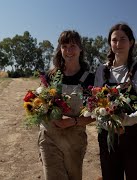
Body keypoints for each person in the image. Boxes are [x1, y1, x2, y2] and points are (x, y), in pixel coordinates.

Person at [94, 23, 137, 180]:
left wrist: (127, 120)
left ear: (131, 42)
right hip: (108, 138)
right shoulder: (101, 70)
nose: (118, 44)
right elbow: (96, 102)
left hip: (135, 137)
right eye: (114, 40)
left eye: (122, 39)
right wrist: (105, 119)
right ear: (110, 43)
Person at [38, 30, 95, 180]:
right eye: (64, 46)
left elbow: (94, 114)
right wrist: (47, 112)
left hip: (74, 141)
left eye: (73, 46)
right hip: (49, 137)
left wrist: (72, 121)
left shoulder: (90, 79)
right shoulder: (49, 76)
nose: (68, 50)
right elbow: (39, 106)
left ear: (80, 49)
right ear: (59, 49)